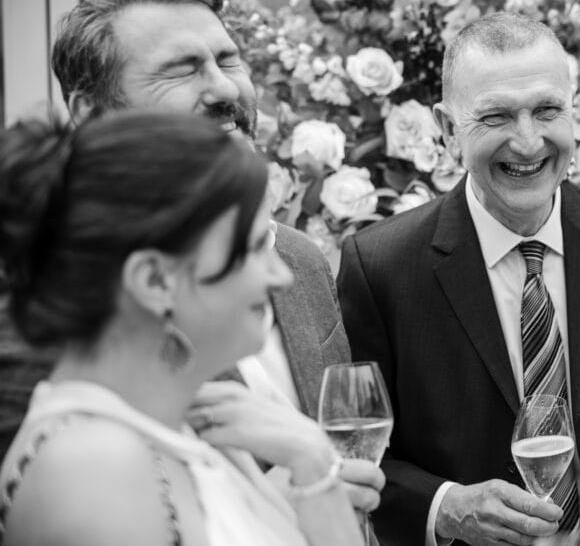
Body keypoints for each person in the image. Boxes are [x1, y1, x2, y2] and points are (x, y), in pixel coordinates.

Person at [0, 0, 383, 511]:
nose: (224, 88)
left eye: (228, 60)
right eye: (182, 70)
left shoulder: (298, 258)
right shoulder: (40, 318)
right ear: (91, 113)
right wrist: (273, 510)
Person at [338, 11, 580, 545]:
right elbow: (359, 458)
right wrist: (446, 507)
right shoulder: (379, 266)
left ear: (575, 110)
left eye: (547, 110)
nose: (528, 142)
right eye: (496, 116)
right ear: (448, 130)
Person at [0, 110, 363, 545]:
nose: (281, 276)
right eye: (252, 249)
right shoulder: (94, 470)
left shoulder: (181, 421)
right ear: (155, 281)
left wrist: (311, 461)